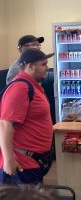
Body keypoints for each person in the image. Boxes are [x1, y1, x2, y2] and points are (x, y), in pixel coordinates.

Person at [0, 49, 54, 184]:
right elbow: (5, 124)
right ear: (30, 66)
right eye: (43, 64)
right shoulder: (20, 88)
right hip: (22, 164)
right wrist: (8, 160)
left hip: (33, 162)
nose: (47, 68)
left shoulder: (33, 86)